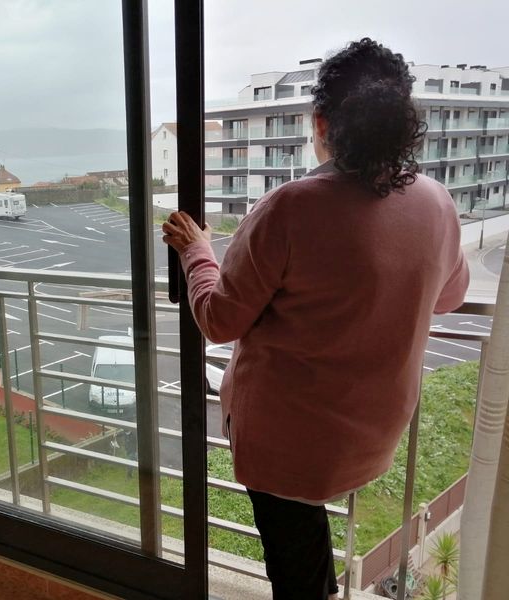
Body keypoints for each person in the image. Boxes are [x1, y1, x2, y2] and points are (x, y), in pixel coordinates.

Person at [162, 38, 469, 600]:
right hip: (369, 435)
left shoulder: (292, 206)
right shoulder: (436, 202)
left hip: (285, 445)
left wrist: (197, 251)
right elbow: (450, 296)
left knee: (295, 566)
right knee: (305, 548)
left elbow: (219, 319)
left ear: (322, 121)